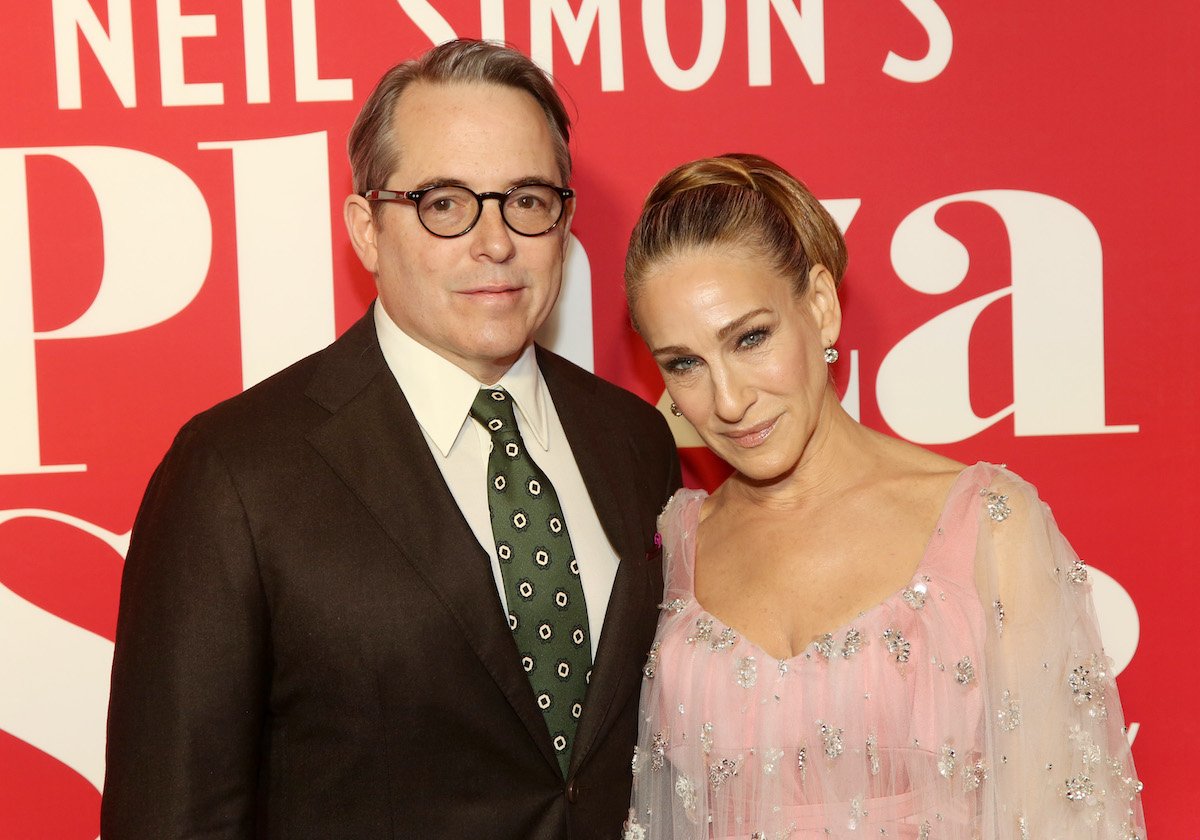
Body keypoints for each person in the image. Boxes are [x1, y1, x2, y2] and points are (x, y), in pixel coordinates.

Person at [102, 39, 680, 839]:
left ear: (564, 220)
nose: (496, 241)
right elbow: (171, 818)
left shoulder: (634, 440)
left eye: (528, 198)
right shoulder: (233, 474)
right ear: (367, 230)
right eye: (444, 203)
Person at [620, 154, 1145, 839]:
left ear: (819, 306)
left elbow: (1071, 820)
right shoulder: (676, 542)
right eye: (684, 364)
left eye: (750, 338)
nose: (727, 400)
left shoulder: (989, 523)